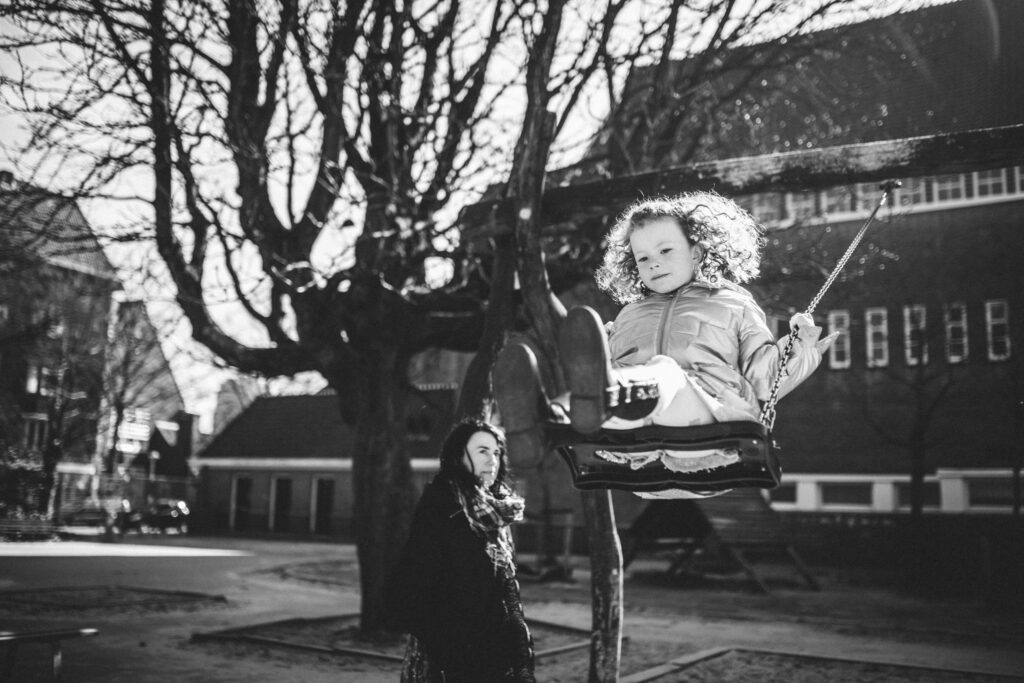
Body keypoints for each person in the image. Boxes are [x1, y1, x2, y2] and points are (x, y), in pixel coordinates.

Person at [495, 191, 836, 488]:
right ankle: (543, 423)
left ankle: (607, 395)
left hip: (709, 423)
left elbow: (764, 378)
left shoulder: (732, 303)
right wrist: (605, 351)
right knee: (597, 392)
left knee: (663, 372)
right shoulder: (630, 314)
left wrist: (800, 346)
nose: (654, 264)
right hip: (633, 439)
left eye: (665, 251)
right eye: (643, 258)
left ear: (698, 252)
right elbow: (598, 378)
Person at [384, 419, 536, 682]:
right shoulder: (442, 509)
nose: (492, 460)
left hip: (507, 658)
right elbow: (411, 588)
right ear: (457, 456)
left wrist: (522, 657)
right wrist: (452, 648)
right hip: (464, 664)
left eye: (496, 452)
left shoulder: (497, 513)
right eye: (482, 451)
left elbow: (506, 588)